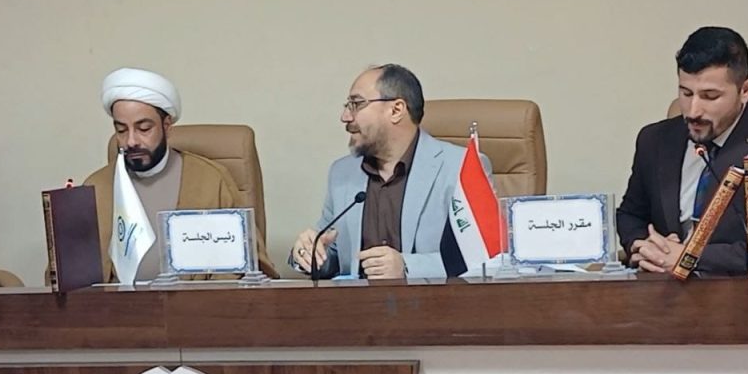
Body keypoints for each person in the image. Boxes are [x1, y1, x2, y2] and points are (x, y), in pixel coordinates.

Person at [616, 27, 748, 276]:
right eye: (686, 93)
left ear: (745, 90)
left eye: (710, 96)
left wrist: (688, 257)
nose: (693, 111)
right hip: (663, 290)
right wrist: (642, 246)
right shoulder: (655, 140)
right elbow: (630, 214)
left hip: (742, 292)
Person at [290, 63, 490, 279]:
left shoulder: (462, 167)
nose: (345, 116)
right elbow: (335, 255)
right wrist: (310, 254)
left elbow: (483, 258)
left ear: (396, 110)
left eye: (356, 104)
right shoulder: (342, 173)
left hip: (433, 299)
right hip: (358, 300)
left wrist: (406, 267)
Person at [83, 67, 277, 281]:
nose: (131, 141)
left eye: (144, 129)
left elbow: (249, 266)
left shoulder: (211, 179)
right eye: (121, 130)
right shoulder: (95, 188)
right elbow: (72, 275)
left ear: (167, 126)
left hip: (196, 302)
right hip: (114, 302)